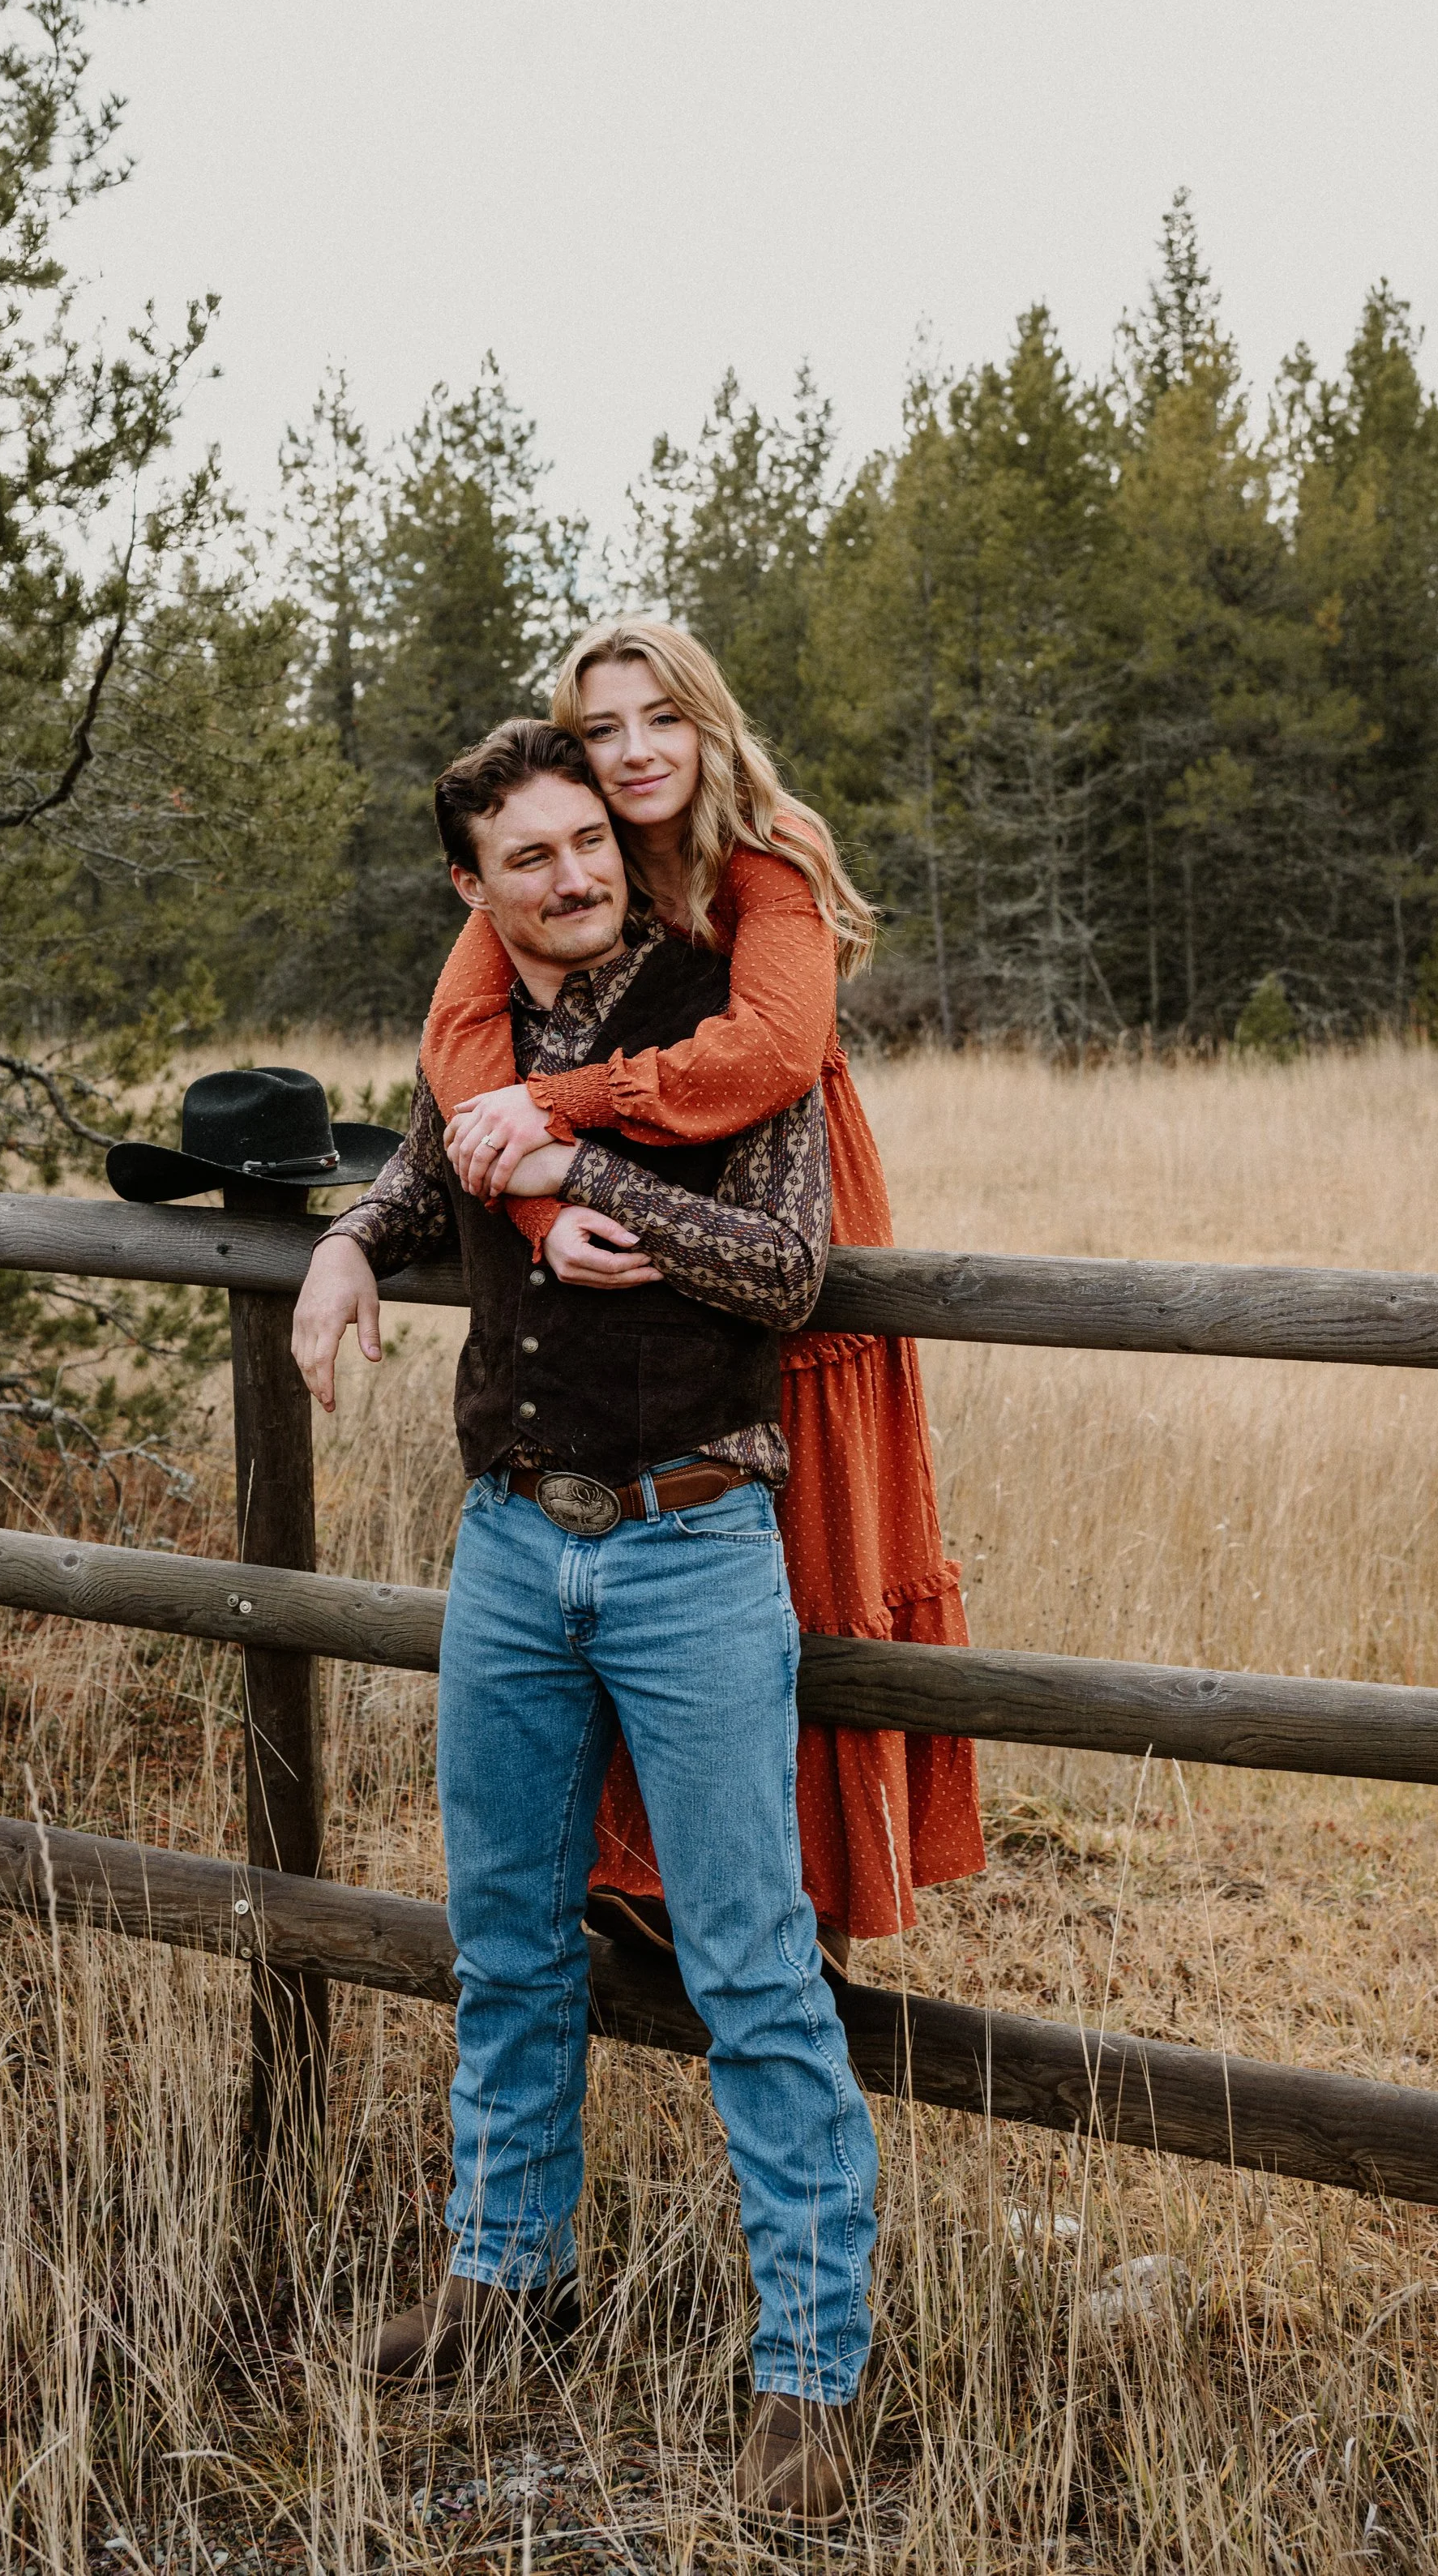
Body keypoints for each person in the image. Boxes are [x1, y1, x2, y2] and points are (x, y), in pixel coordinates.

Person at [292, 718, 876, 2524]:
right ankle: (501, 2280)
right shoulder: (475, 1037)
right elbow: (416, 1174)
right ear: (472, 891)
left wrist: (577, 1176)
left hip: (690, 1534)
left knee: (748, 1964)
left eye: (583, 842)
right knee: (510, 1941)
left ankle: (809, 2373)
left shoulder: (718, 1016)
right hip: (505, 1543)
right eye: (525, 856)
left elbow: (786, 1267)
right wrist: (339, 1242)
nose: (571, 872)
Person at [423, 618, 986, 1965]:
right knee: (651, 1523)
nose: (633, 752)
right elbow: (457, 1046)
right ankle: (654, 1897)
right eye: (602, 726)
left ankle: (807, 1928)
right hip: (621, 1202)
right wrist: (545, 1198)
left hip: (768, 1182)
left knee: (792, 1556)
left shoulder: (763, 853)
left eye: (661, 717)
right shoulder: (566, 853)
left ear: (708, 721)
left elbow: (773, 1050)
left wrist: (562, 1112)